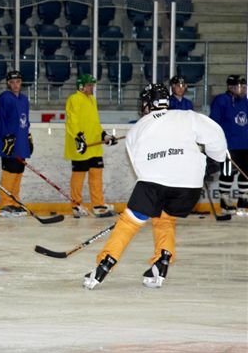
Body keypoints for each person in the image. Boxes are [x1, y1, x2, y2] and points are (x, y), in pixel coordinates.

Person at [83, 83, 227, 290]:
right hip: (190, 186)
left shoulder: (137, 128)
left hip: (154, 183)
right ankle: (162, 262)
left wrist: (149, 198)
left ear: (148, 103)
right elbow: (216, 133)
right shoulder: (187, 116)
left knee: (129, 222)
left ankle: (105, 263)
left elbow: (138, 166)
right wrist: (214, 162)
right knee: (165, 220)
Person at [64, 74, 118, 218]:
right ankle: (76, 206)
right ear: (81, 86)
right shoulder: (74, 99)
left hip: (94, 145)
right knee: (79, 176)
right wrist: (78, 137)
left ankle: (98, 205)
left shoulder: (92, 100)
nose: (91, 88)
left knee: (96, 175)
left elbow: (94, 123)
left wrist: (104, 136)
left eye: (92, 85)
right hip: (81, 146)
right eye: (89, 85)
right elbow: (72, 121)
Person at [0, 70, 33, 217]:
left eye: (18, 82)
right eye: (12, 82)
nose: (15, 85)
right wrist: (6, 137)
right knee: (9, 172)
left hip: (21, 141)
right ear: (8, 84)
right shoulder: (4, 98)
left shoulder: (24, 99)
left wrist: (28, 137)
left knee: (18, 172)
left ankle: (15, 202)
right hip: (9, 142)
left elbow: (25, 121)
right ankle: (5, 204)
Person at [209, 74, 248, 216]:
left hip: (245, 145)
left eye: (244, 87)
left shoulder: (245, 102)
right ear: (231, 87)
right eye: (240, 87)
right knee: (227, 174)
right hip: (228, 146)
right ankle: (225, 202)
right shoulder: (221, 101)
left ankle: (243, 202)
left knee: (246, 174)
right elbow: (214, 123)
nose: (242, 90)